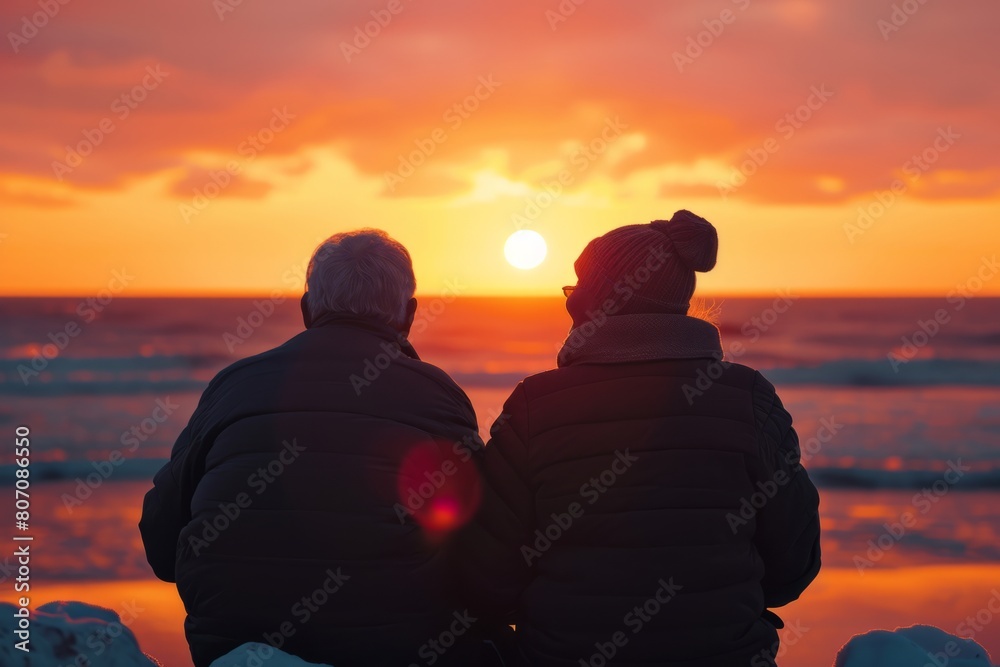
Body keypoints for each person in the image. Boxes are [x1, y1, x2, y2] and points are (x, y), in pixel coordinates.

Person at [458, 211, 821, 666]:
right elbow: (792, 566)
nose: (569, 303)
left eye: (577, 289)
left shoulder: (535, 405)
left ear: (598, 300)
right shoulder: (749, 397)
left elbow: (490, 577)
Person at [139, 229, 493, 667]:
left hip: (231, 649)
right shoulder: (437, 395)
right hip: (398, 651)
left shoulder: (234, 384)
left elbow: (161, 542)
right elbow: (485, 545)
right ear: (409, 314)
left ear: (307, 309)